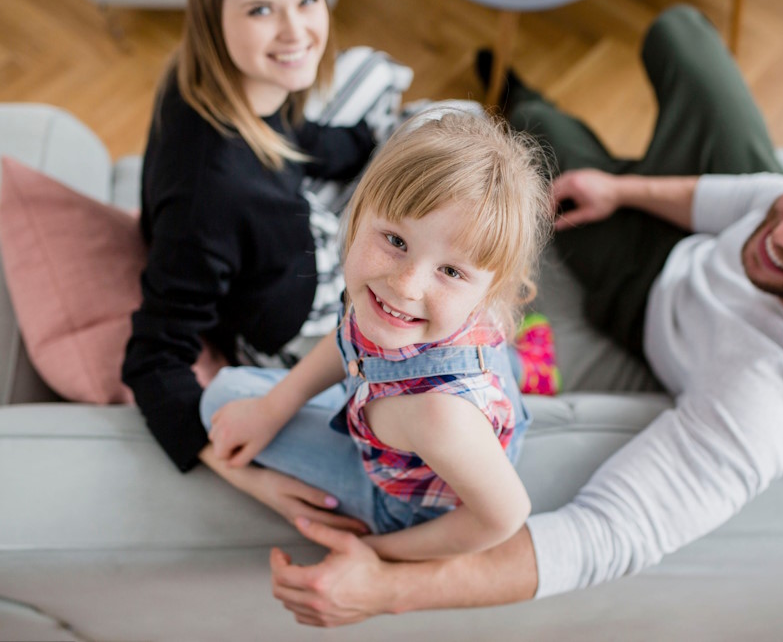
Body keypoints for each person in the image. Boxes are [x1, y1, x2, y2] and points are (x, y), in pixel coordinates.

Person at [265, 5, 783, 626]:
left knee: (541, 136)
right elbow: (751, 198)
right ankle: (583, 141)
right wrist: (624, 189)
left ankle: (520, 92)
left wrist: (387, 588)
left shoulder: (773, 404)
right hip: (685, 242)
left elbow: (604, 533)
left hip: (643, 293)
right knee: (679, 32)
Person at [199, 111, 554, 561]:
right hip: (400, 413)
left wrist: (379, 554)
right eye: (395, 240)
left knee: (220, 396)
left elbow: (505, 516)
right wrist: (273, 408)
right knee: (253, 402)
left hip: (398, 504)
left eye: (449, 271)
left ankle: (526, 369)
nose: (406, 286)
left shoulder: (439, 417)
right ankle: (528, 364)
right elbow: (350, 340)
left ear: (489, 292)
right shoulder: (390, 304)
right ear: (358, 213)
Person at [121, 0, 379, 531]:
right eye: (261, 10)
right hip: (287, 317)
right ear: (214, 18)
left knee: (425, 110)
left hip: (276, 243)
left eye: (308, 0)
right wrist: (242, 473)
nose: (296, 31)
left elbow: (286, 131)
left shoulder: (221, 75)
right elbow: (153, 358)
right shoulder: (208, 196)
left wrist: (365, 145)